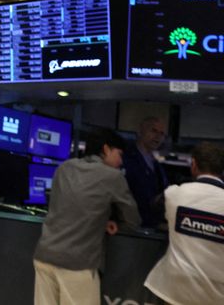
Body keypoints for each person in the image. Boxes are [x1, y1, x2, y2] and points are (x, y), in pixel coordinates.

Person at [33, 128, 141, 305]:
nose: (121, 161)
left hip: (44, 256)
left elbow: (63, 206)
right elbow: (133, 220)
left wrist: (102, 220)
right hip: (77, 264)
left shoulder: (64, 167)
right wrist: (116, 225)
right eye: (119, 154)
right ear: (106, 149)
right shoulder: (113, 177)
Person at [144, 142, 224, 305]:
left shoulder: (175, 194)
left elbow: (152, 209)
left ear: (193, 164)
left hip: (176, 289)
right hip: (216, 293)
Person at [123, 116, 169, 227]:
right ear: (140, 131)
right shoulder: (126, 158)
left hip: (151, 224)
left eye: (162, 133)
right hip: (130, 223)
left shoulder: (157, 166)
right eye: (154, 131)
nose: (158, 136)